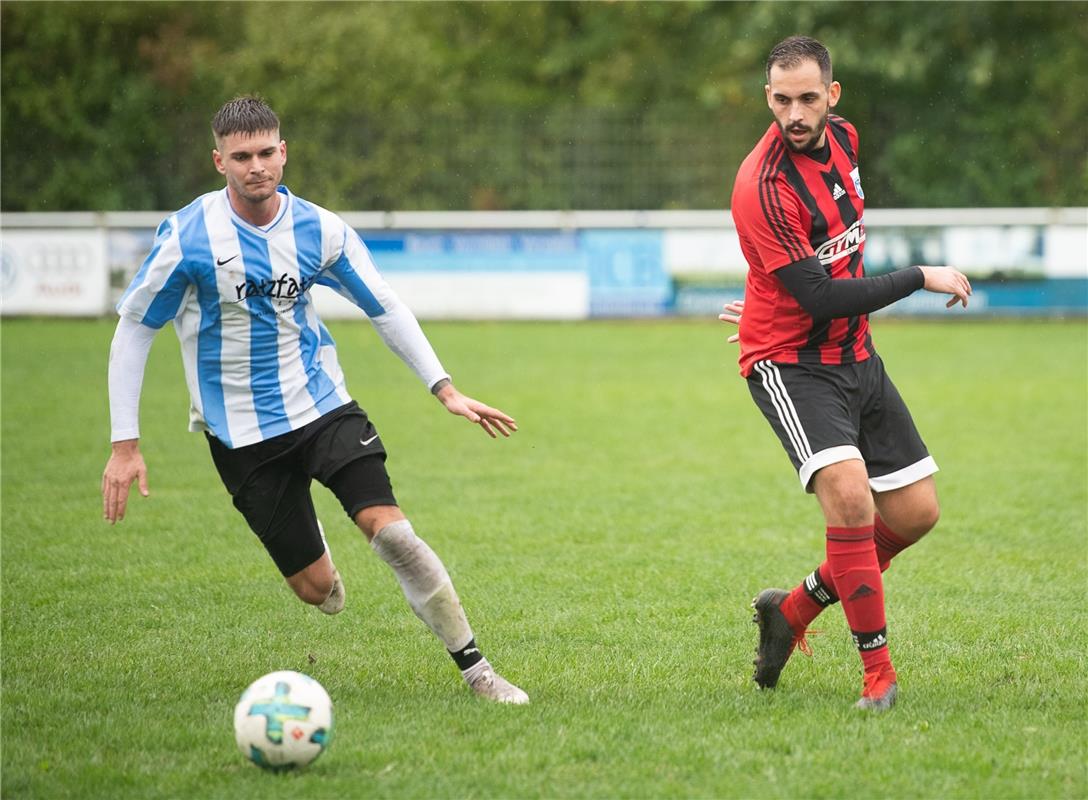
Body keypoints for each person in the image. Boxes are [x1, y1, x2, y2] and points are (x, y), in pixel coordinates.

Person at [100, 96, 528, 704]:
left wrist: (445, 388)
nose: (257, 166)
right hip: (241, 436)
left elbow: (384, 307)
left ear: (284, 152)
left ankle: (478, 671)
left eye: (267, 152)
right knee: (318, 592)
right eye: (241, 156)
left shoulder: (321, 229)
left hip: (321, 407)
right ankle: (316, 550)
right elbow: (135, 328)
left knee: (394, 534)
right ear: (218, 160)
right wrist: (125, 444)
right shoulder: (189, 236)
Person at [723, 36, 972, 711]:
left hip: (855, 354)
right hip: (790, 362)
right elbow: (821, 295)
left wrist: (763, 289)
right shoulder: (764, 185)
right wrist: (921, 276)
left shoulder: (846, 140)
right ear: (767, 96)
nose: (795, 113)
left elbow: (835, 255)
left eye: (808, 98)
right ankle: (879, 680)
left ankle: (794, 611)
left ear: (832, 96)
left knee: (917, 513)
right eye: (781, 99)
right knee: (852, 500)